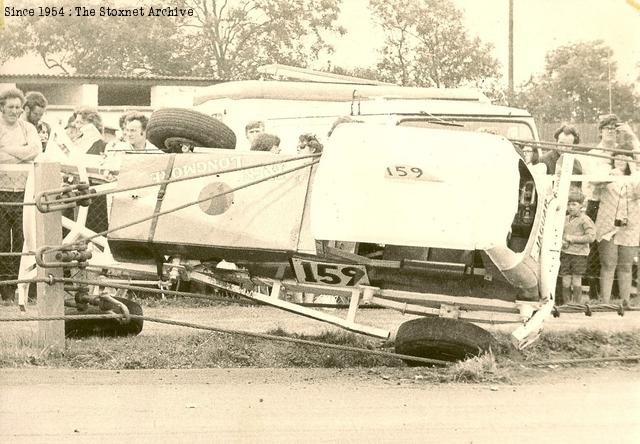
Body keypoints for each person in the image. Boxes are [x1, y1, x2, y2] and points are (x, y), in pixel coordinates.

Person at [0, 88, 41, 301]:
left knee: (25, 239)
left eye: (18, 107)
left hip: (24, 193)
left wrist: (7, 149)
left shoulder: (28, 128)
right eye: (10, 107)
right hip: (1, 192)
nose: (14, 111)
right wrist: (21, 154)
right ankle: (4, 291)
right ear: (1, 107)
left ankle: (22, 287)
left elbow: (35, 150)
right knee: (3, 241)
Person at [594, 153, 640, 306]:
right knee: (608, 264)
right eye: (618, 157)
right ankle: (605, 302)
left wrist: (633, 172)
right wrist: (611, 174)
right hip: (608, 225)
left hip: (630, 227)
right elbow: (595, 182)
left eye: (625, 158)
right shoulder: (606, 172)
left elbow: (638, 192)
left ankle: (624, 302)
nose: (621, 160)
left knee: (626, 266)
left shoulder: (635, 177)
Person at [559, 191, 596, 304]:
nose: (570, 207)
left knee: (576, 279)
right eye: (569, 204)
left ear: (581, 205)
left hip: (579, 255)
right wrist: (562, 241)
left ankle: (577, 304)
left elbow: (591, 237)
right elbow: (559, 233)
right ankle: (567, 303)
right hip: (566, 253)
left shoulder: (585, 220)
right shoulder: (564, 219)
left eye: (574, 204)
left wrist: (572, 238)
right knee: (565, 279)